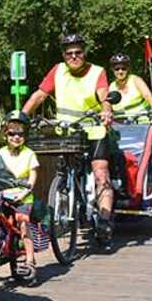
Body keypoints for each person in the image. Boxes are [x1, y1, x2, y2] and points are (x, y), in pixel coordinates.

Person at [21, 33, 115, 240]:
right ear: (64, 55)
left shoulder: (97, 72)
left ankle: (105, 220)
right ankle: (67, 205)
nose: (74, 57)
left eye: (78, 52)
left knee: (101, 173)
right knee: (64, 172)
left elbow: (104, 96)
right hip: (68, 132)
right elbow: (39, 95)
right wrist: (21, 117)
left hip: (94, 131)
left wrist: (106, 109)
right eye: (69, 53)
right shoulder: (58, 71)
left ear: (84, 53)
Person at [0, 110, 40, 280]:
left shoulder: (29, 154)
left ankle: (30, 260)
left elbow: (33, 177)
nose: (16, 137)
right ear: (5, 135)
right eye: (12, 133)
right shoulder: (0, 153)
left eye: (20, 133)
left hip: (23, 196)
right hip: (4, 194)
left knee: (23, 224)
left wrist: (26, 190)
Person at [108, 53, 152, 118]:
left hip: (143, 120)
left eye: (123, 68)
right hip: (121, 123)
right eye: (117, 69)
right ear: (112, 70)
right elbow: (108, 105)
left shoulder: (136, 80)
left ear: (128, 68)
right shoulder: (111, 86)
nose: (120, 71)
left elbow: (148, 96)